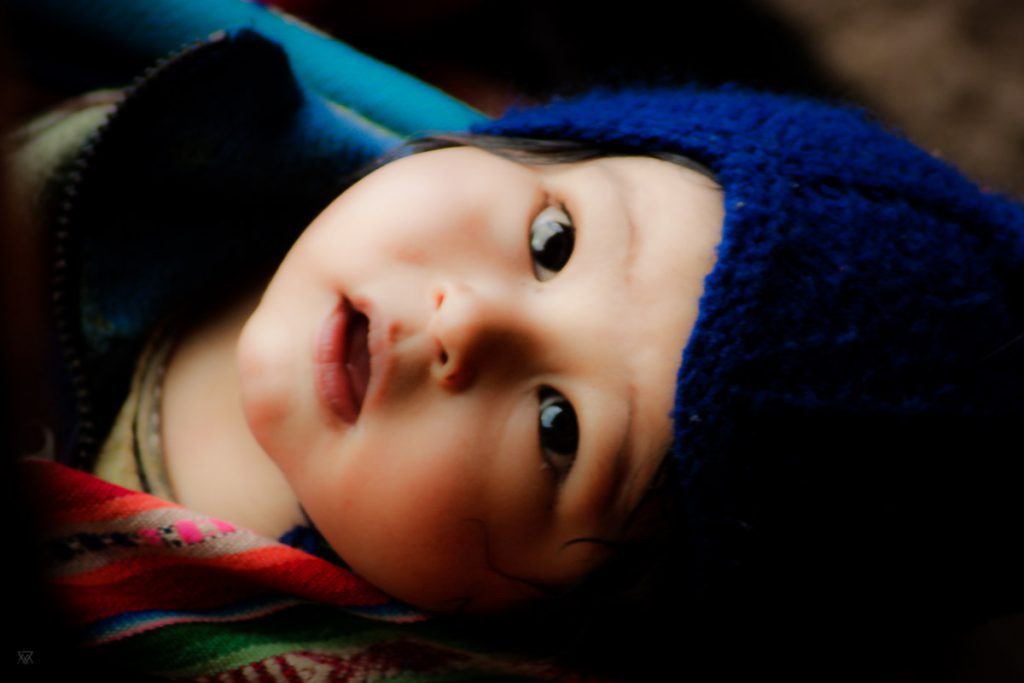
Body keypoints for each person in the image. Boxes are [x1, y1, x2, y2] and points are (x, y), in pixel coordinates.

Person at [11, 26, 1024, 681]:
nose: (467, 328)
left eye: (558, 428)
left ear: (563, 618)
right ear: (519, 138)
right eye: (553, 242)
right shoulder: (206, 101)